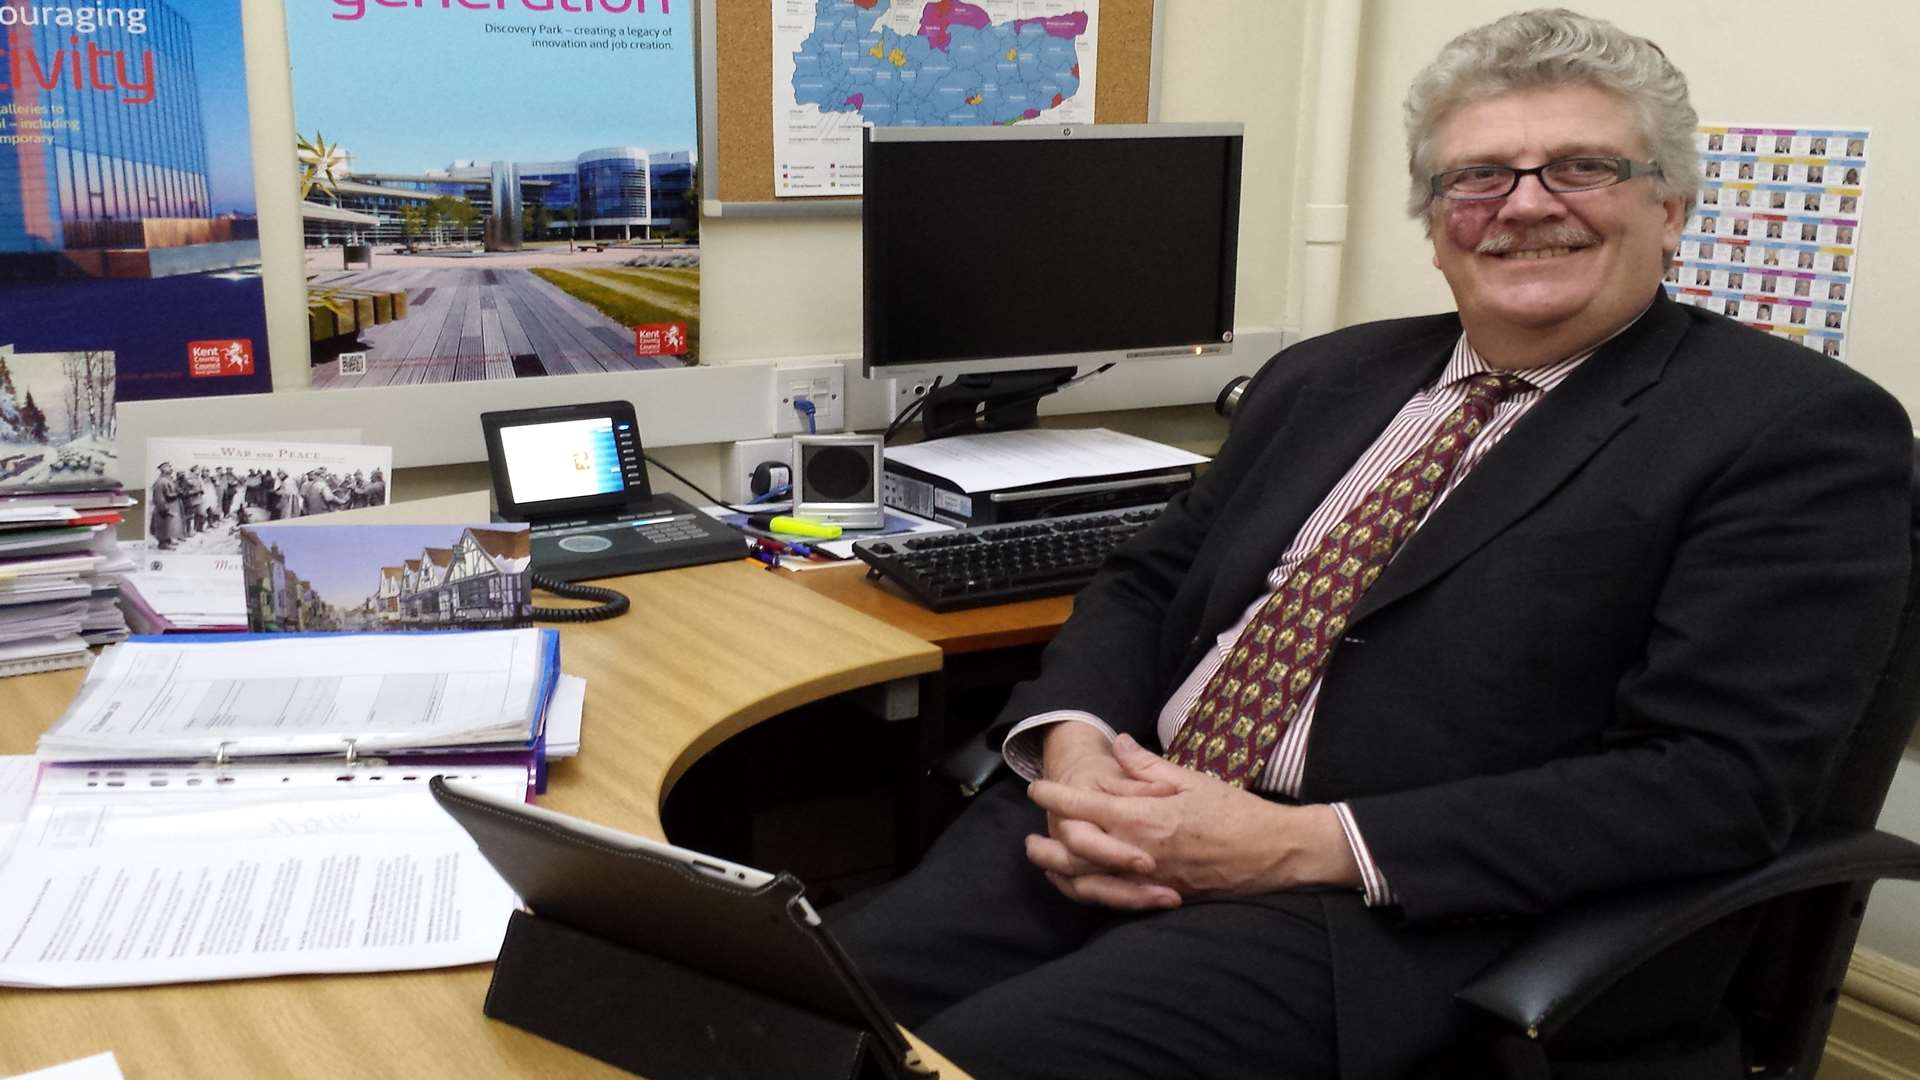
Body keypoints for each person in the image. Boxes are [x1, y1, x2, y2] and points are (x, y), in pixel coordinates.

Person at [832, 11, 1911, 1079]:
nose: (1525, 206)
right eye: (1478, 178)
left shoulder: (1793, 430)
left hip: (1384, 910)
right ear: (1437, 222)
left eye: (1582, 168)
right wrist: (1075, 746)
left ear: (1669, 206)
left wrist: (1298, 844)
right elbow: (1151, 581)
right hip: (1116, 814)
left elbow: (1714, 781)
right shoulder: (1327, 375)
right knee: (797, 1001)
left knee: (972, 1064)